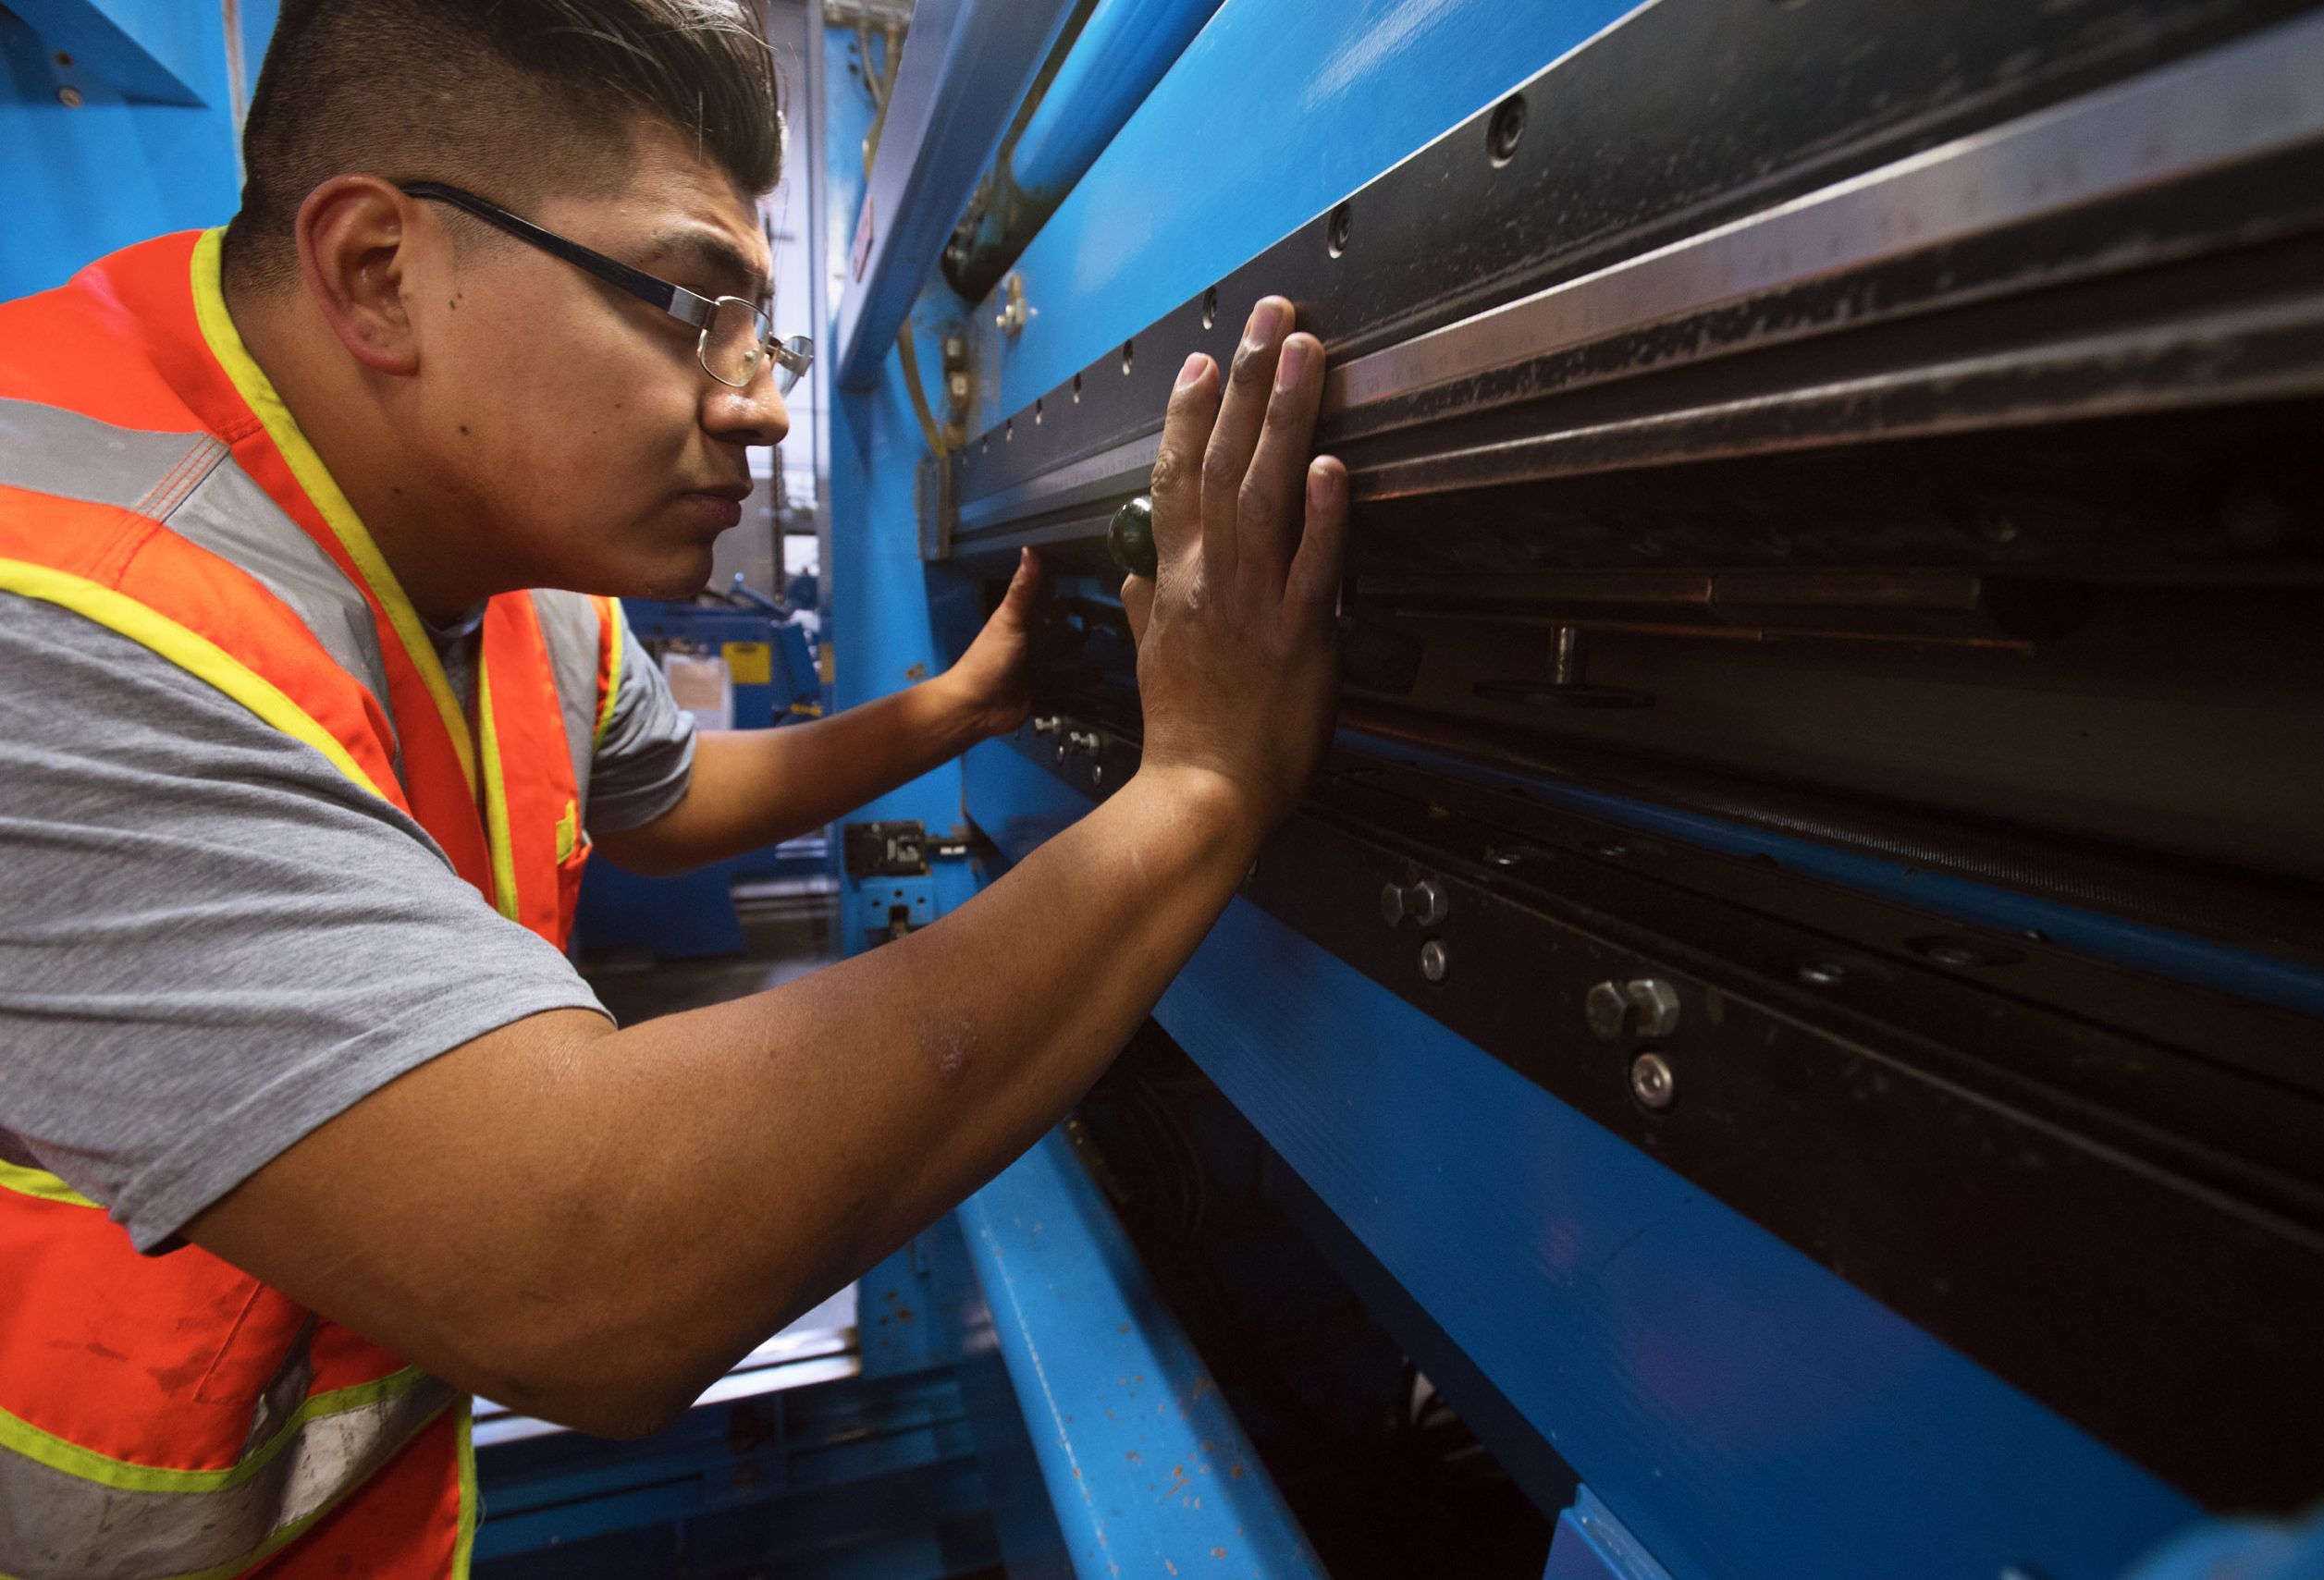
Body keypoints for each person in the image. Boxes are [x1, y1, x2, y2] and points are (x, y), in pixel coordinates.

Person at [0, 1, 1345, 1574]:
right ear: (378, 270)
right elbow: (589, 1272)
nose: (761, 403)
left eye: (757, 331)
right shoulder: (61, 616)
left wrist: (954, 707)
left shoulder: (509, 552)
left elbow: (667, 792)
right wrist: (1205, 781)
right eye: (686, 305)